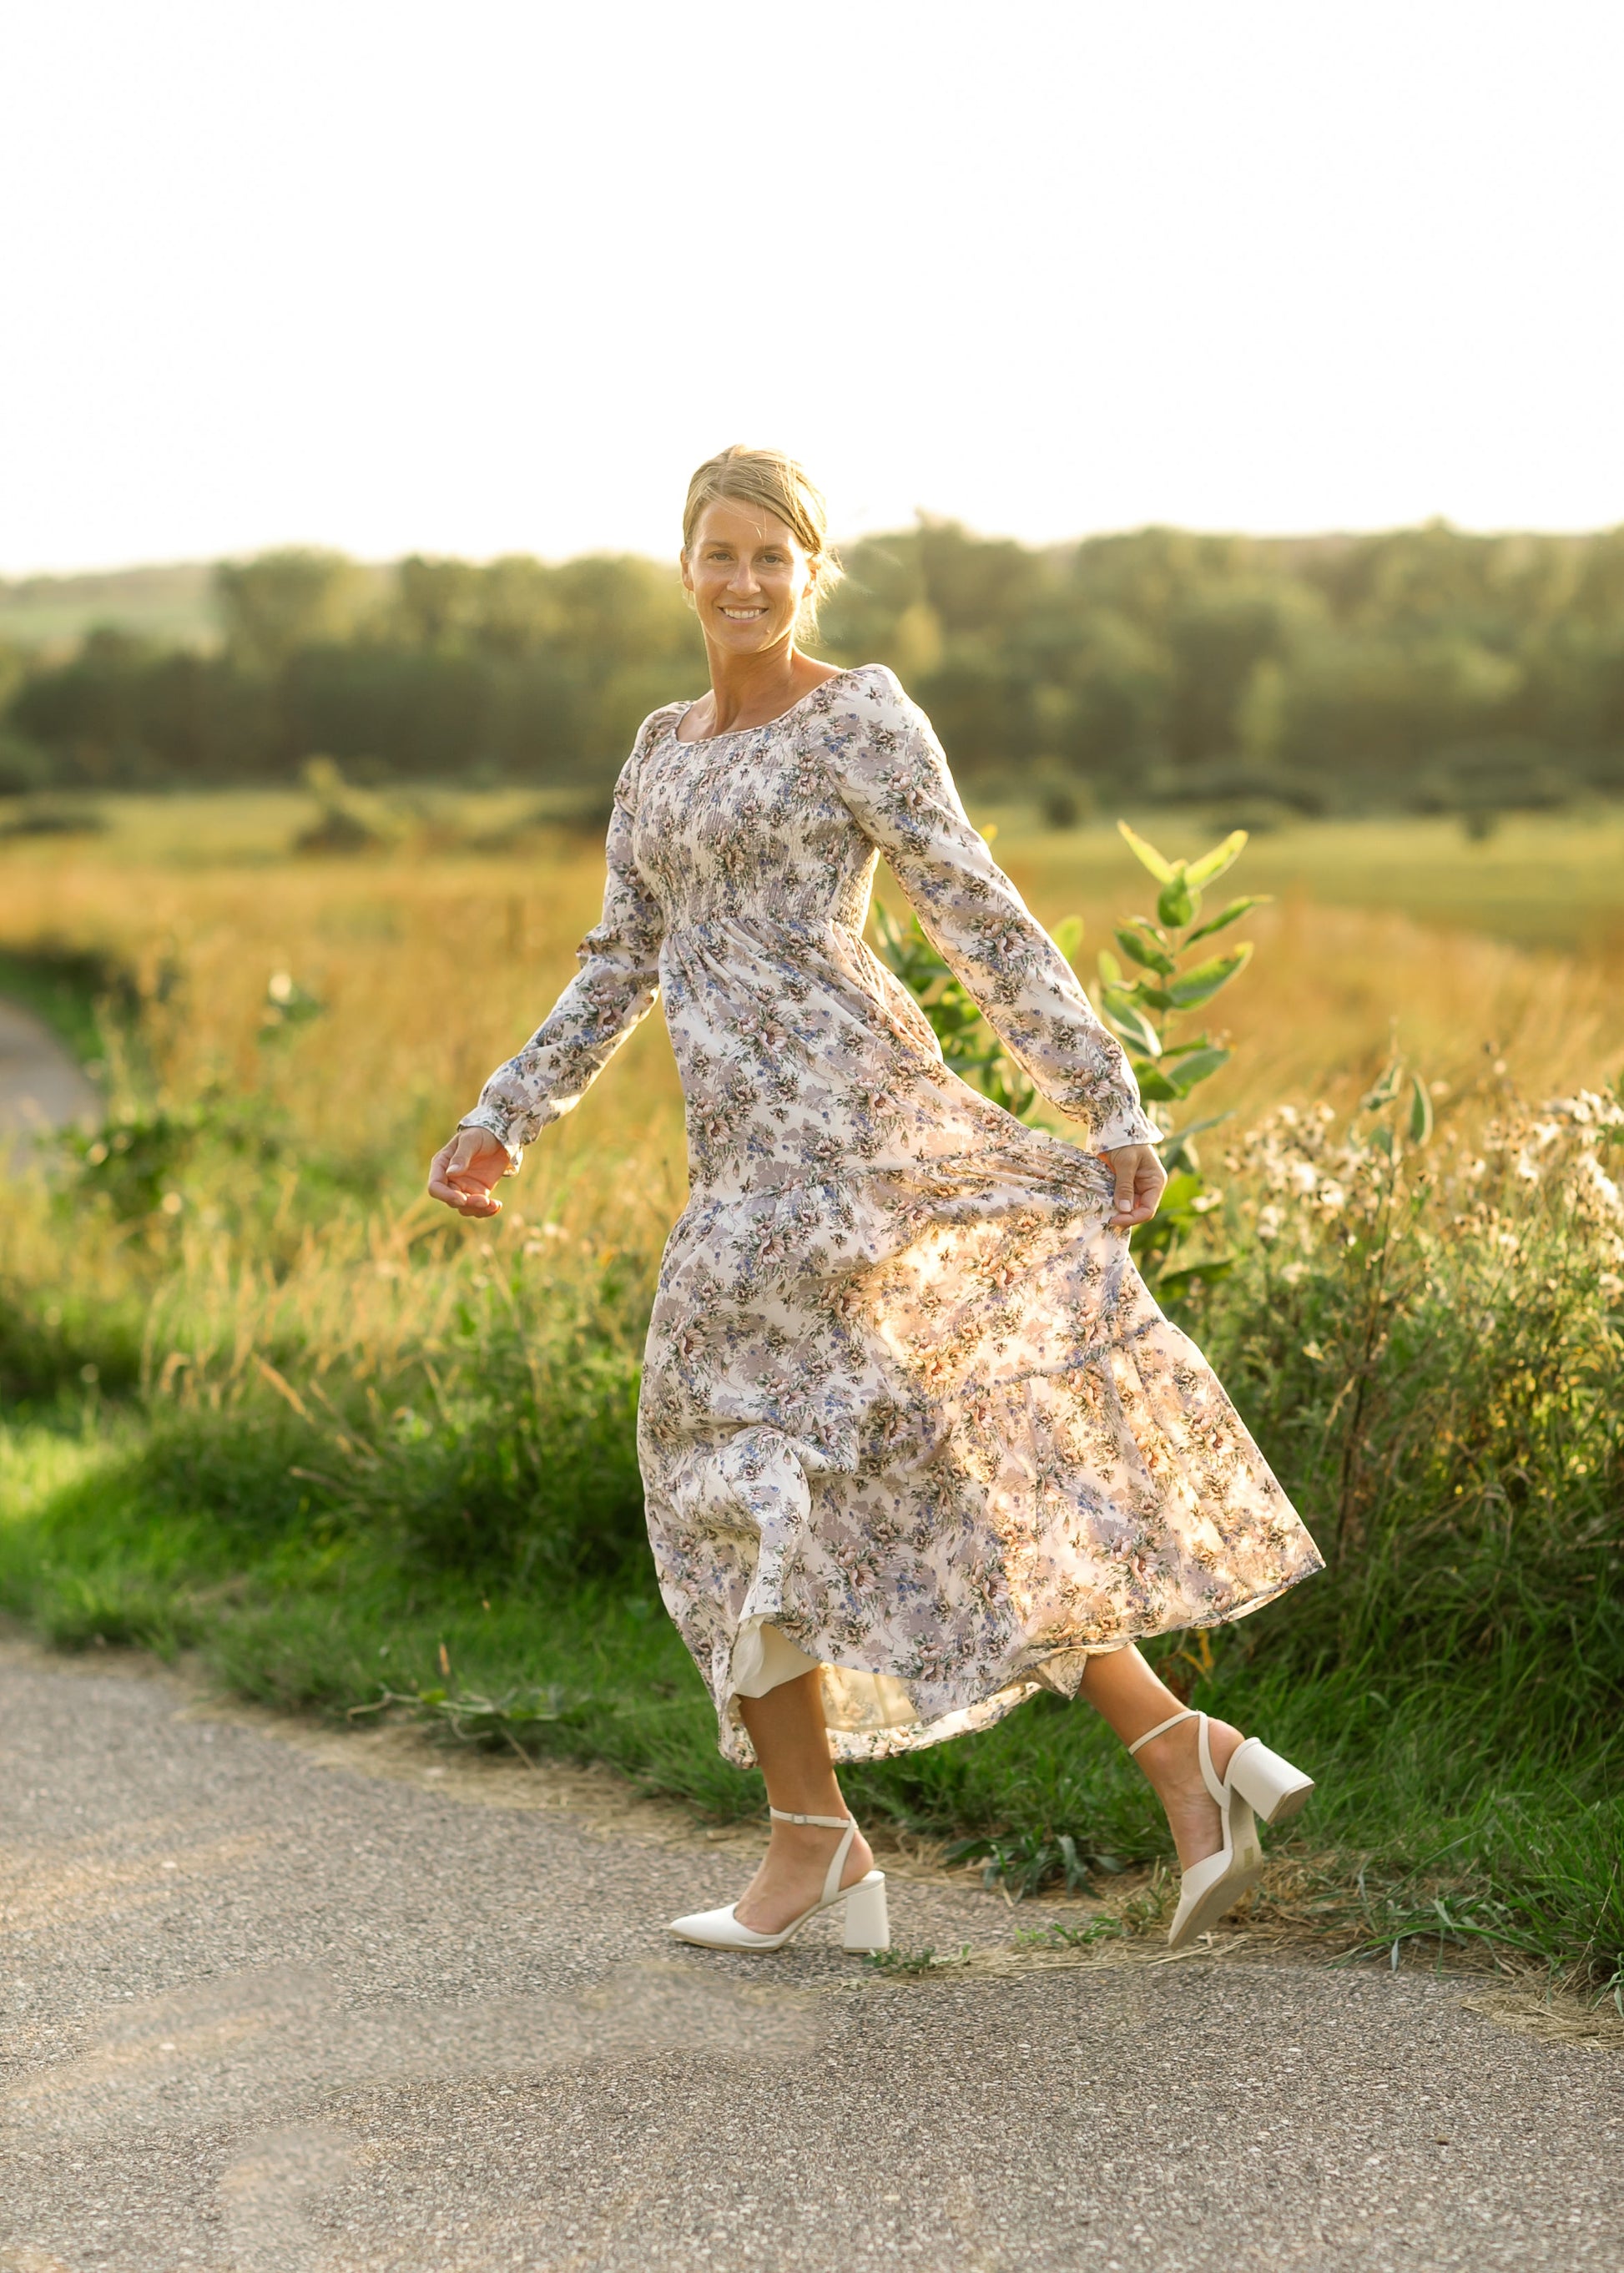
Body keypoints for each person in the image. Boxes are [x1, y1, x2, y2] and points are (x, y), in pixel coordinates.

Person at [429, 446, 1323, 1956]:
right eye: (720, 553)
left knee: (738, 1462)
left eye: (772, 558)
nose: (744, 582)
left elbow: (978, 911)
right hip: (743, 1167)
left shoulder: (858, 716)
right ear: (684, 564)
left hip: (855, 1140)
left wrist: (1105, 1098)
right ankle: (1169, 1757)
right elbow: (621, 957)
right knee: (840, 1472)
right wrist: (502, 1116)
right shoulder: (657, 748)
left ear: (811, 571)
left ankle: (830, 1849)